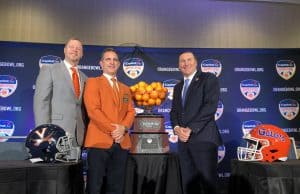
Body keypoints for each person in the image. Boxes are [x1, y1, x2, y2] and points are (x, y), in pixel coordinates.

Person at [83, 48, 135, 194]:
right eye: (108, 59)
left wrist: (123, 128)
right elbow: (93, 110)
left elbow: (131, 111)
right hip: (99, 142)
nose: (112, 62)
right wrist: (114, 130)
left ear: (119, 64)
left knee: (116, 187)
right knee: (95, 186)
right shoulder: (93, 82)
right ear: (101, 63)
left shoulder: (125, 88)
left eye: (115, 60)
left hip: (121, 143)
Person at [170, 51, 222, 194]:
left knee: (208, 184)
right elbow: (173, 112)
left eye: (189, 60)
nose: (186, 63)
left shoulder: (208, 79)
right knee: (188, 184)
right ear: (179, 66)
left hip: (204, 140)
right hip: (183, 142)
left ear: (196, 62)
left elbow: (210, 106)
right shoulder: (178, 87)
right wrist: (176, 128)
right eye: (182, 61)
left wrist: (190, 129)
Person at [33, 37, 88, 147]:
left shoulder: (85, 78)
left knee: (75, 164)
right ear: (64, 50)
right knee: (57, 165)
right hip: (54, 132)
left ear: (82, 54)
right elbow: (41, 102)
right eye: (71, 47)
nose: (75, 50)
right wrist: (44, 132)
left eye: (78, 48)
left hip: (78, 135)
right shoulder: (49, 69)